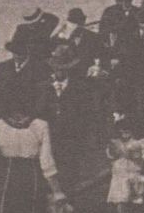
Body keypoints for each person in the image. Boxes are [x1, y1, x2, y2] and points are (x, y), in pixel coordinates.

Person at [34, 45, 98, 189]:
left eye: (63, 68)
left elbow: (87, 115)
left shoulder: (81, 88)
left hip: (71, 140)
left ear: (69, 69)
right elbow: (37, 112)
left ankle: (69, 204)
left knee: (69, 176)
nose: (59, 71)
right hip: (48, 138)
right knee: (48, 176)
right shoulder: (43, 87)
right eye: (56, 68)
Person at [0, 35, 50, 122]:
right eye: (14, 52)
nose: (16, 56)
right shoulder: (3, 66)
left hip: (26, 115)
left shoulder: (39, 69)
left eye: (20, 52)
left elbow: (41, 98)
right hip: (3, 113)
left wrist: (30, 117)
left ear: (28, 52)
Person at [105, 118, 144, 213]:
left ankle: (136, 210)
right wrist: (116, 152)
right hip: (119, 172)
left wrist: (140, 154)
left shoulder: (137, 143)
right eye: (122, 131)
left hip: (133, 170)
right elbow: (111, 155)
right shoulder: (114, 143)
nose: (125, 133)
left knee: (135, 190)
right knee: (121, 197)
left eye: (128, 131)